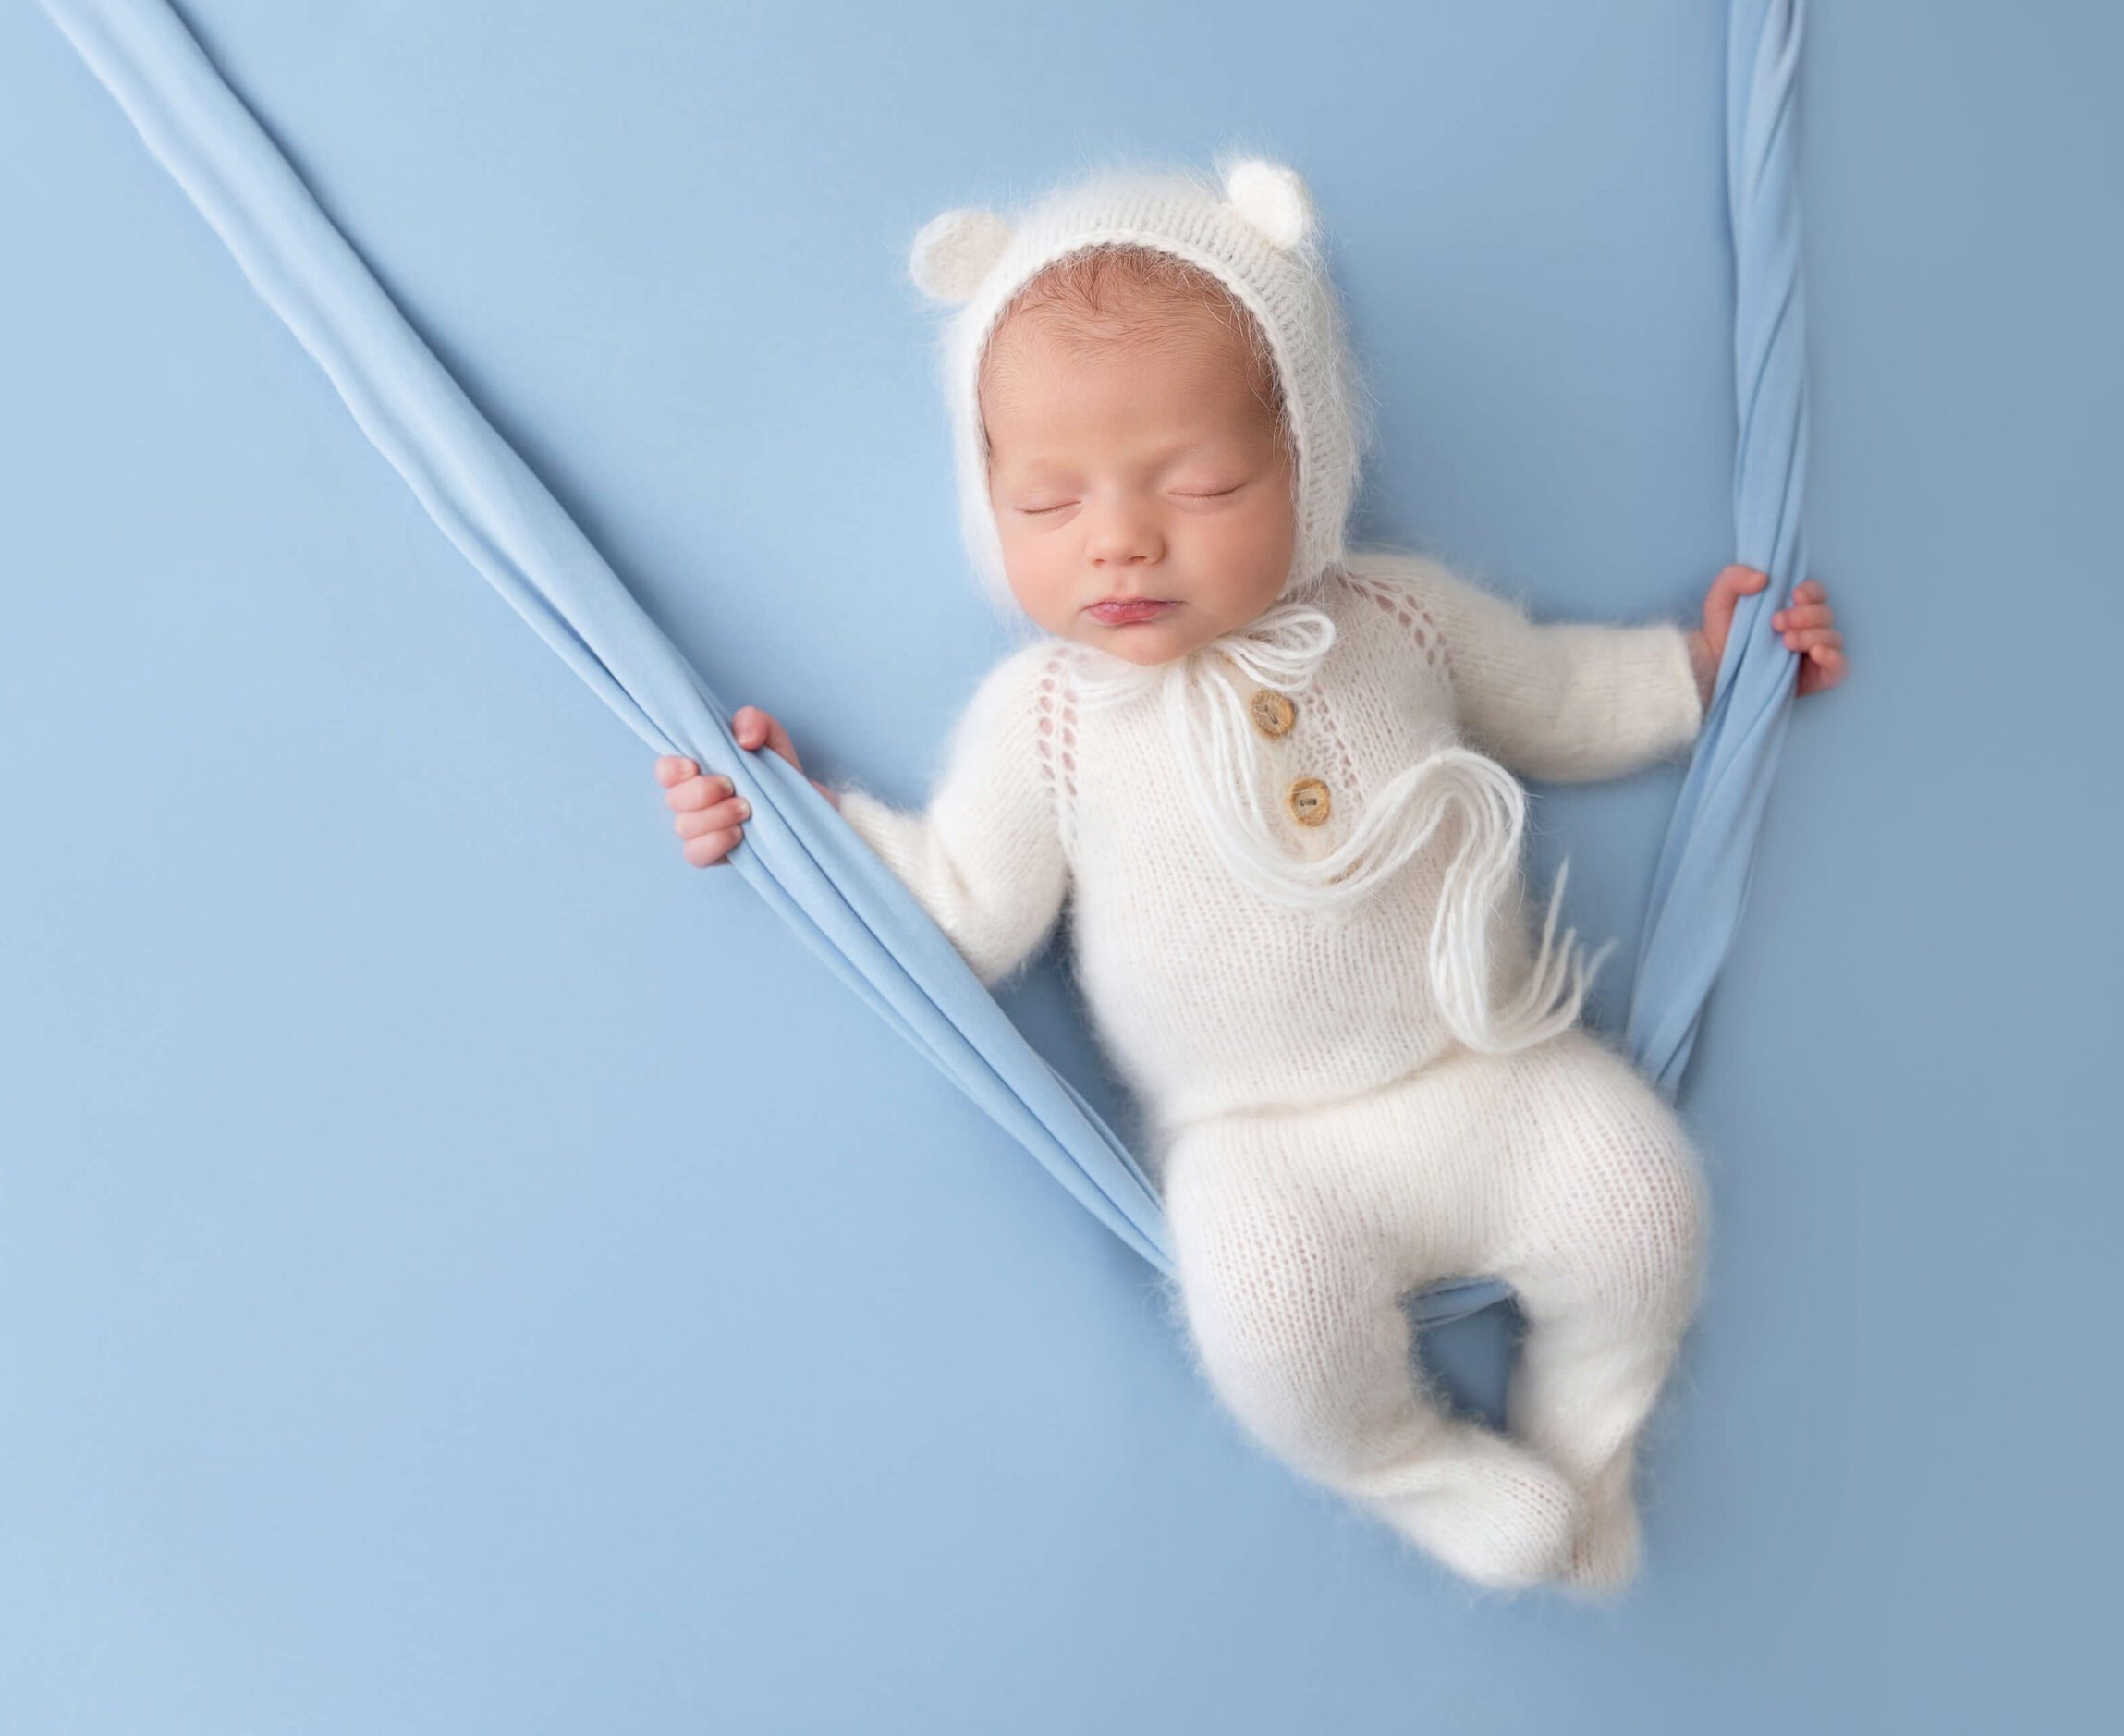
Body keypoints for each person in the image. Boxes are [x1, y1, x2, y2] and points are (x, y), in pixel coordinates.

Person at [654, 158, 1848, 1595]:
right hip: (1263, 1143)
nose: (1122, 538)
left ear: (1311, 461)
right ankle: (1423, 1471)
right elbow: (958, 900)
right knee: (1274, 1331)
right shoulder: (1046, 718)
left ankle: (1582, 1458)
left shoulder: (1394, 613)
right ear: (990, 504)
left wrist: (1700, 669)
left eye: (1203, 483)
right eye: (1047, 502)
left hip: (1488, 1069)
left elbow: (1553, 694)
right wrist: (791, 827)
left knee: (1647, 1211)